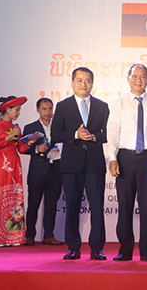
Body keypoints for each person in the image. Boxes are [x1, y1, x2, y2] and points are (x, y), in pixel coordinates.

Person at [107, 64, 147, 262]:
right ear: (128, 79)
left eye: (143, 76)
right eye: (135, 76)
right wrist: (113, 158)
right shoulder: (119, 103)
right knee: (124, 206)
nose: (138, 80)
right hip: (125, 158)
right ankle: (125, 250)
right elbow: (113, 132)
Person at [51, 67, 110, 260]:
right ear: (72, 82)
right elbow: (55, 134)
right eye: (79, 80)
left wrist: (93, 136)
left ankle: (97, 249)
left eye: (87, 81)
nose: (83, 84)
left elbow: (108, 133)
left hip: (95, 164)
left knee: (97, 207)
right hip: (70, 165)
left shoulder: (102, 106)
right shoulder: (63, 106)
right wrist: (76, 135)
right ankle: (73, 247)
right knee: (73, 207)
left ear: (92, 83)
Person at [0, 96, 37, 247]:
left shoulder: (16, 128)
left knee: (14, 199)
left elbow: (20, 149)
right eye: (16, 110)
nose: (18, 113)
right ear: (8, 109)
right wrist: (9, 136)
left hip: (15, 166)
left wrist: (29, 143)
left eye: (19, 110)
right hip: (1, 165)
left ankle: (13, 236)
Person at [23, 98, 63, 246]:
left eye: (50, 109)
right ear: (38, 110)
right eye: (44, 109)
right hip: (38, 171)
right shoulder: (30, 127)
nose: (48, 112)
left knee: (51, 205)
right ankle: (30, 235)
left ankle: (48, 235)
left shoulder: (59, 127)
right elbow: (23, 148)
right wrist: (36, 149)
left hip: (56, 170)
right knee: (33, 204)